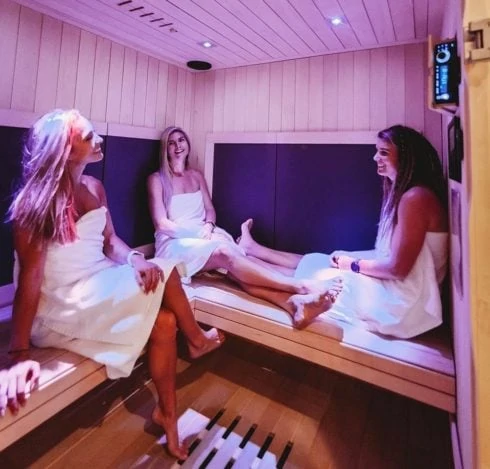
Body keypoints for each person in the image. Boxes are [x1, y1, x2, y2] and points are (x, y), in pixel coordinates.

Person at [7, 110, 226, 460]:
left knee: (165, 318)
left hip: (100, 279)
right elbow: (30, 281)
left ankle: (167, 416)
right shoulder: (35, 204)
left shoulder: (94, 187)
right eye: (90, 137)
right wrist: (19, 354)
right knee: (166, 271)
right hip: (61, 302)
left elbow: (110, 242)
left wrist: (135, 259)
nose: (99, 141)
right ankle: (196, 340)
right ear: (66, 150)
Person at [235, 125, 448, 338]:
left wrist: (352, 264)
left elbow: (397, 269)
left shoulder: (415, 199)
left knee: (320, 275)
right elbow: (390, 255)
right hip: (398, 288)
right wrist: (349, 257)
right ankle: (250, 251)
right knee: (321, 260)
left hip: (403, 301)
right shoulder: (407, 195)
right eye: (377, 151)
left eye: (384, 152)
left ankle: (240, 263)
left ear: (407, 157)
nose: (375, 157)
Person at [147, 127, 343, 328]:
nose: (178, 146)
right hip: (175, 243)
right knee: (226, 253)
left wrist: (208, 226)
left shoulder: (196, 176)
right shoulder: (157, 179)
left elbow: (210, 210)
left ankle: (294, 305)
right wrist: (199, 234)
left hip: (204, 235)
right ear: (165, 149)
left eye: (181, 140)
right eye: (171, 143)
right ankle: (301, 286)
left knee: (238, 267)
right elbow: (162, 224)